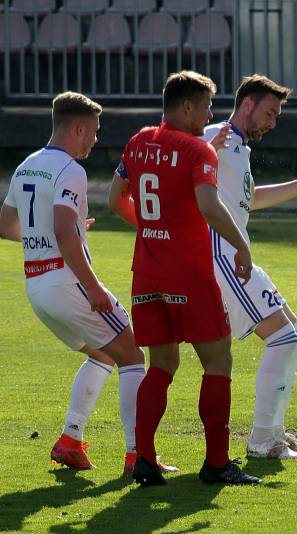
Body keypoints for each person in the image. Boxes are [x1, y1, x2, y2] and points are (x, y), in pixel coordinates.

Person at [0, 92, 171, 476]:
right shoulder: (70, 169)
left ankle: (71, 441)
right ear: (78, 128)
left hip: (38, 287)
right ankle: (137, 456)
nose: (95, 139)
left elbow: (7, 226)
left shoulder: (27, 165)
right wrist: (93, 285)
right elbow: (62, 227)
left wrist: (69, 231)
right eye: (93, 131)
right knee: (133, 355)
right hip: (67, 281)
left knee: (103, 354)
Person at [107, 71, 260, 486]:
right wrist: (242, 245)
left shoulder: (139, 141)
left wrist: (151, 229)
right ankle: (216, 463)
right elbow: (209, 205)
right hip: (190, 276)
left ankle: (144, 459)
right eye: (207, 106)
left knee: (162, 364)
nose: (211, 114)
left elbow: (113, 197)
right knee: (218, 360)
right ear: (188, 107)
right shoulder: (198, 151)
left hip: (147, 275)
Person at [199, 74, 297, 460]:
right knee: (284, 337)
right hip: (220, 255)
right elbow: (176, 171)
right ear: (247, 105)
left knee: (296, 333)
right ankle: (262, 441)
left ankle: (275, 432)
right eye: (270, 112)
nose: (273, 122)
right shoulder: (216, 136)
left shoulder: (238, 147)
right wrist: (203, 148)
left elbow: (248, 200)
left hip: (235, 253)